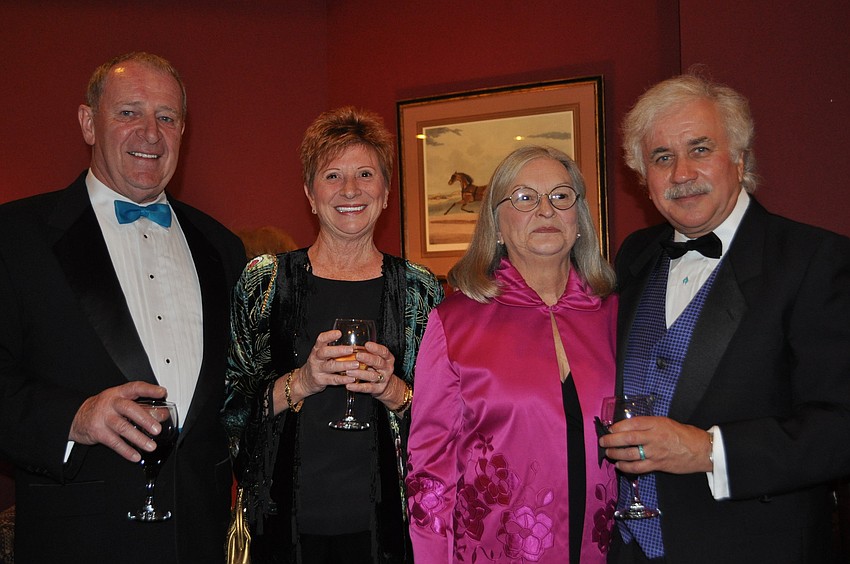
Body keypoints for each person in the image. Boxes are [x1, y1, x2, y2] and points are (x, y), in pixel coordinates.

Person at [0, 52, 246, 562]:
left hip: (198, 539)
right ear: (89, 123)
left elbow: (238, 395)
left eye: (167, 117)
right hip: (78, 543)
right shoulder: (16, 237)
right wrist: (75, 417)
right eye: (129, 112)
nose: (150, 133)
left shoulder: (223, 247)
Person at [600, 74, 850, 563]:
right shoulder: (634, 256)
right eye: (662, 157)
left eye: (700, 149)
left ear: (739, 158)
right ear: (643, 176)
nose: (681, 174)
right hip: (629, 550)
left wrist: (709, 451)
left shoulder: (815, 259)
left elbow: (841, 426)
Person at [222, 106, 444, 563]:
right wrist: (301, 381)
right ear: (309, 193)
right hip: (281, 528)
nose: (350, 190)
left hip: (386, 531)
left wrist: (394, 390)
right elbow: (229, 410)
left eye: (365, 174)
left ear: (386, 192)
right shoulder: (264, 281)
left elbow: (446, 417)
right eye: (332, 176)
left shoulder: (418, 288)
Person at [406, 145, 619, 563]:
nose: (546, 210)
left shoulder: (615, 313)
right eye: (525, 197)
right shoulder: (455, 322)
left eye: (561, 196)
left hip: (608, 551)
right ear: (497, 226)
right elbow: (430, 474)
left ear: (579, 219)